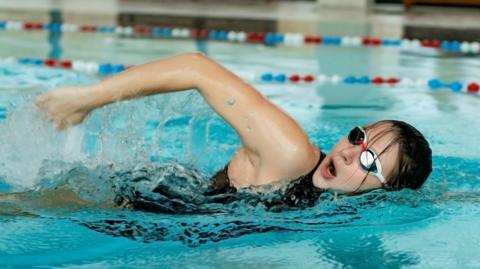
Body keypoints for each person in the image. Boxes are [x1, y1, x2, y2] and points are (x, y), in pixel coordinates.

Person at [35, 52, 433, 210]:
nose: (348, 152)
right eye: (357, 137)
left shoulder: (339, 203)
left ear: (386, 191)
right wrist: (89, 99)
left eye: (367, 160)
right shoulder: (291, 152)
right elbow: (197, 68)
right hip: (130, 203)